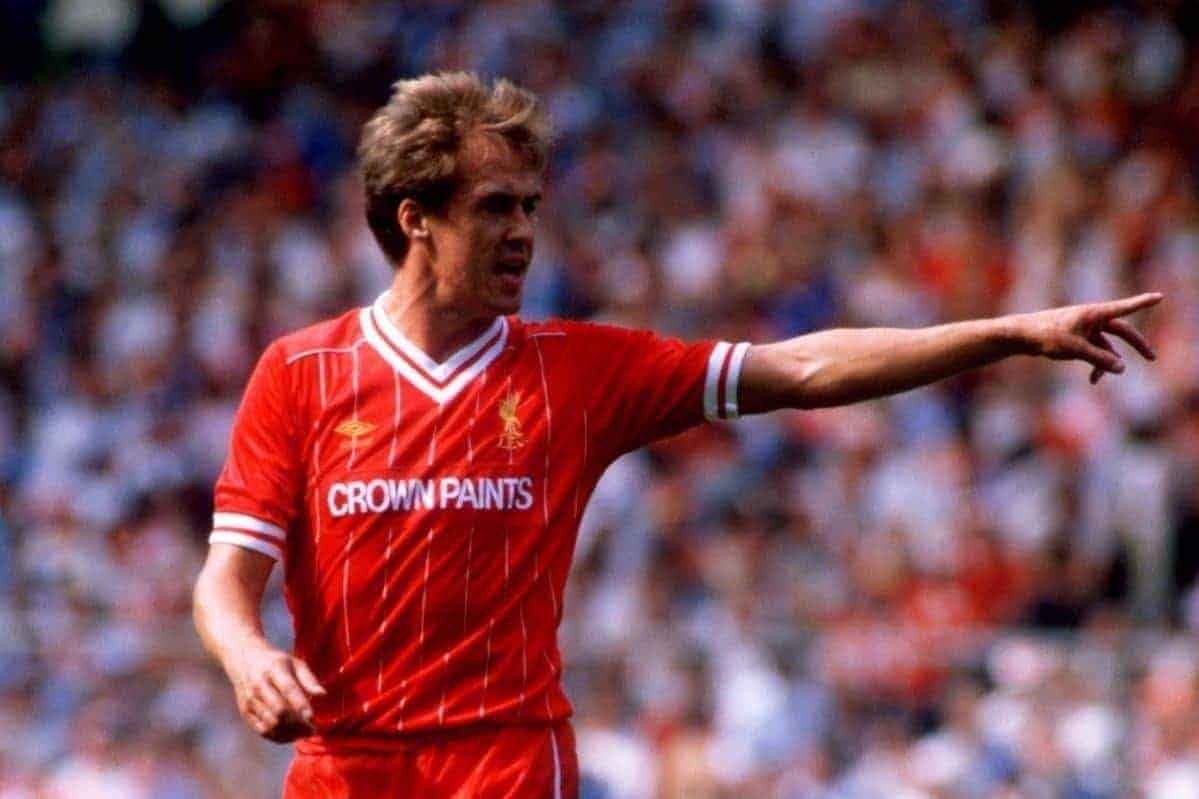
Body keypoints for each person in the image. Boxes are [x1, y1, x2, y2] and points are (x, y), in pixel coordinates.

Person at [192, 71, 1162, 798]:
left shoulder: (578, 369)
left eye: (530, 205)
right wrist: (247, 656)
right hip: (343, 765)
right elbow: (225, 580)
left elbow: (799, 369)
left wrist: (1004, 332)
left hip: (504, 759)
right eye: (494, 207)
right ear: (416, 220)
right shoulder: (301, 372)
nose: (524, 230)